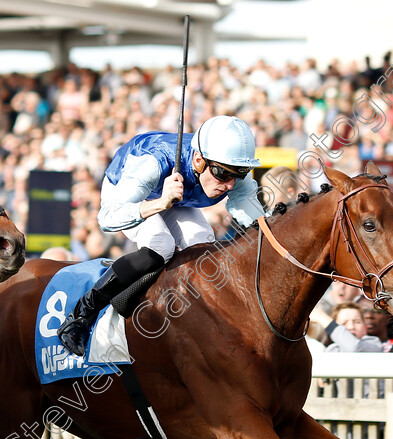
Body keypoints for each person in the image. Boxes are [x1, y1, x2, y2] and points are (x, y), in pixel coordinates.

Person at [57, 115, 265, 355]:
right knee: (161, 246)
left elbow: (258, 224)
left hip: (174, 196)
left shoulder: (228, 166)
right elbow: (107, 218)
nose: (230, 184)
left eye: (239, 174)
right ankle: (80, 316)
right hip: (128, 192)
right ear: (198, 160)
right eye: (223, 174)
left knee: (203, 246)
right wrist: (160, 203)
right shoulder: (155, 162)